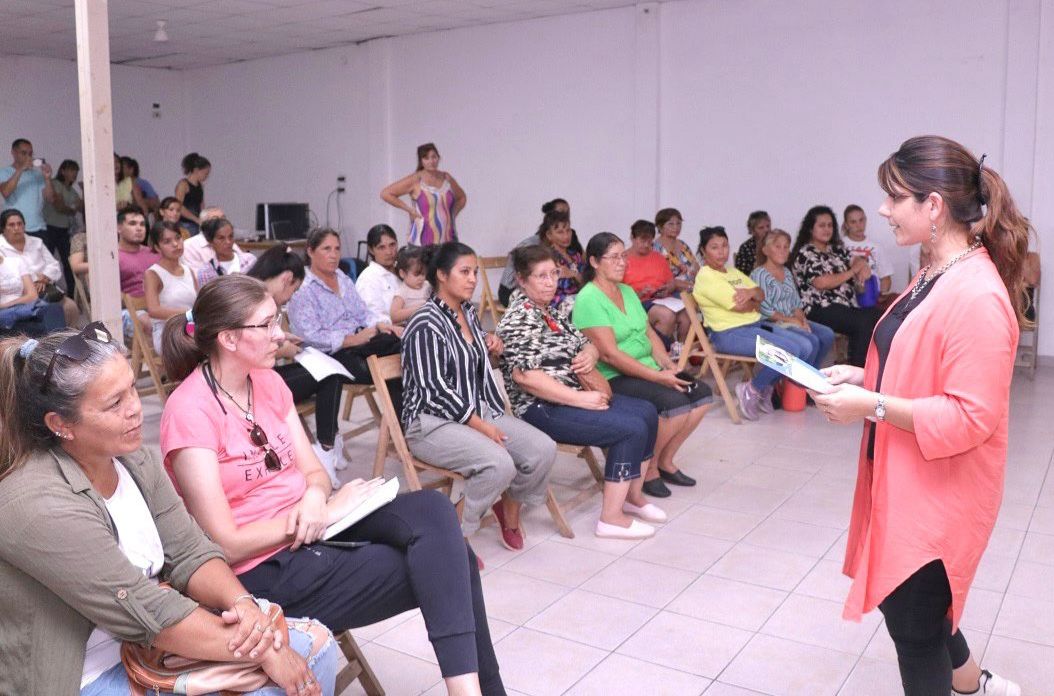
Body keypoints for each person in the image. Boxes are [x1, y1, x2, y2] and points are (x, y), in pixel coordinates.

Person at [160, 275, 505, 696]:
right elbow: (224, 543)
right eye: (266, 325)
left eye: (277, 320)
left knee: (433, 510)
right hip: (263, 569)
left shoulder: (267, 381)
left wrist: (316, 497)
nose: (280, 334)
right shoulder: (189, 411)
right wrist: (320, 512)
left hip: (317, 527)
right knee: (454, 562)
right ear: (230, 339)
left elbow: (315, 472)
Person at [0, 324, 337, 696]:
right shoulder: (35, 504)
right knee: (279, 677)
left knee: (317, 651)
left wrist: (244, 606)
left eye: (132, 388)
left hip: (151, 644)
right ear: (60, 424)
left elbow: (190, 550)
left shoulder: (132, 459)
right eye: (115, 403)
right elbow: (141, 608)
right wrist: (263, 650)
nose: (135, 409)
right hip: (85, 672)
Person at [811, 136, 1026, 696]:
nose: (883, 209)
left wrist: (872, 405)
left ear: (932, 206)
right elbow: (915, 352)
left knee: (916, 623)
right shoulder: (934, 270)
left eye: (895, 197)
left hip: (939, 495)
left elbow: (969, 417)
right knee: (915, 611)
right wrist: (865, 377)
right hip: (906, 477)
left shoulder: (977, 295)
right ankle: (975, 684)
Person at [498, 245, 663, 540]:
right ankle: (611, 518)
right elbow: (526, 378)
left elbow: (585, 341)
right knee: (630, 429)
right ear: (522, 280)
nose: (550, 282)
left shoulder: (550, 311)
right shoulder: (517, 320)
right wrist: (580, 399)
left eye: (553, 274)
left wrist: (589, 353)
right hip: (541, 408)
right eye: (541, 276)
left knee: (647, 411)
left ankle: (631, 496)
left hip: (572, 394)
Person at [401, 242, 556, 551]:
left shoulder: (468, 313)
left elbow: (477, 368)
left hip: (478, 410)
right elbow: (436, 390)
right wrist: (481, 426)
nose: (472, 279)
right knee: (498, 464)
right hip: (432, 423)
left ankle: (508, 510)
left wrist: (494, 351)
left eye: (474, 272)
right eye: (464, 272)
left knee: (543, 449)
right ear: (442, 276)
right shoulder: (425, 323)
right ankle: (452, 537)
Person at [572, 232, 711, 499]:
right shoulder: (588, 298)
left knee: (701, 395)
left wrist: (666, 366)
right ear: (594, 262)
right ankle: (646, 470)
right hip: (615, 375)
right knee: (676, 403)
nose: (622, 262)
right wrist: (657, 378)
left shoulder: (626, 291)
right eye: (613, 257)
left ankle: (664, 461)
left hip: (646, 368)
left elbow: (648, 332)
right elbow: (610, 355)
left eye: (623, 256)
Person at [248, 245, 350, 488]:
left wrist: (284, 337)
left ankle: (325, 447)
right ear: (286, 279)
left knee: (331, 373)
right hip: (252, 382)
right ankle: (325, 449)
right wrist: (284, 347)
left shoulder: (253, 291)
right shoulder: (253, 299)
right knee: (330, 375)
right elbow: (254, 345)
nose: (291, 297)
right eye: (293, 291)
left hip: (260, 374)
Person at [693, 226, 812, 420]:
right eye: (714, 247)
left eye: (724, 245)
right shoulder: (706, 276)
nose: (721, 251)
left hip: (752, 326)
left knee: (801, 347)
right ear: (703, 251)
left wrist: (751, 294)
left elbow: (760, 293)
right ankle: (752, 389)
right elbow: (741, 307)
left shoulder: (732, 272)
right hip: (729, 334)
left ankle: (764, 388)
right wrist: (754, 303)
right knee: (788, 352)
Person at [286, 228, 402, 408]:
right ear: (310, 251)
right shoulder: (303, 287)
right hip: (330, 354)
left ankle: (404, 421)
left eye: (337, 249)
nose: (333, 255)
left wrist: (380, 325)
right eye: (326, 249)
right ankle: (401, 423)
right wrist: (350, 340)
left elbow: (363, 314)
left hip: (361, 342)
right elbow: (308, 336)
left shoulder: (342, 278)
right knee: (393, 363)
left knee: (402, 347)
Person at [790, 205, 881, 367]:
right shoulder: (806, 253)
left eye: (830, 225)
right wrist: (852, 271)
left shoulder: (836, 249)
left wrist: (861, 265)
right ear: (811, 228)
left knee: (877, 315)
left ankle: (868, 368)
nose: (827, 229)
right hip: (819, 308)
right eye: (822, 225)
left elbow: (856, 260)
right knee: (862, 322)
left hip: (845, 306)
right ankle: (857, 370)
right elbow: (821, 282)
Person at [750, 228, 835, 371]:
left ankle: (811, 373)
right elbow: (765, 310)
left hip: (791, 320)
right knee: (811, 341)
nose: (783, 251)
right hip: (772, 323)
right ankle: (800, 380)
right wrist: (792, 321)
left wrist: (803, 322)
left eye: (786, 247)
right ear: (765, 250)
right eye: (778, 246)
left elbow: (796, 304)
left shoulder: (787, 272)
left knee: (827, 334)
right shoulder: (759, 274)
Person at [0, 208, 79, 327]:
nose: (16, 228)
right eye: (11, 225)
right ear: (3, 229)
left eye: (19, 224)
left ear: (24, 226)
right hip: (18, 293)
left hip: (45, 288)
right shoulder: (1, 248)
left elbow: (54, 264)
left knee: (70, 307)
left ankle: (66, 340)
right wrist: (31, 284)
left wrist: (44, 278)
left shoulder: (36, 242)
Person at [497, 198, 581, 306]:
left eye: (567, 212)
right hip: (514, 289)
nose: (564, 216)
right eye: (560, 212)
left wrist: (573, 272)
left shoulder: (570, 240)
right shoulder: (531, 244)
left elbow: (582, 263)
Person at [381, 143, 466, 245]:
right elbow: (386, 193)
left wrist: (451, 215)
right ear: (421, 161)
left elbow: (461, 198)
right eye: (426, 158)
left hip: (447, 239)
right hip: (423, 241)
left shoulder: (446, 178)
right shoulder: (416, 179)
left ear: (438, 158)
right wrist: (409, 209)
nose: (431, 161)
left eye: (434, 157)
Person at [623, 219, 685, 344]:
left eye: (649, 240)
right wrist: (639, 293)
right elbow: (617, 292)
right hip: (637, 303)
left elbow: (671, 281)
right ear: (632, 238)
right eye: (642, 240)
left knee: (687, 316)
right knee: (666, 316)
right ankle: (659, 354)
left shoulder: (658, 258)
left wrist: (667, 289)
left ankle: (681, 353)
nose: (646, 244)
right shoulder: (623, 259)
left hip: (662, 300)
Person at [145, 221, 198, 353]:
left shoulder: (189, 270)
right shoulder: (152, 274)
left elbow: (198, 303)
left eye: (178, 238)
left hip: (191, 327)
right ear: (157, 247)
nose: (175, 244)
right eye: (167, 241)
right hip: (167, 332)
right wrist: (188, 313)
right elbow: (153, 310)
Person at [652, 207, 698, 346]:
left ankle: (684, 347)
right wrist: (689, 286)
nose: (676, 227)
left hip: (692, 287)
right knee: (687, 313)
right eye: (670, 224)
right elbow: (662, 278)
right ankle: (680, 348)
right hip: (672, 291)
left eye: (678, 223)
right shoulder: (656, 248)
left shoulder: (683, 244)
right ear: (660, 226)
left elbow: (696, 265)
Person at [1, 138, 56, 244]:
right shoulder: (4, 172)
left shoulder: (37, 174)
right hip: (15, 229)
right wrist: (21, 169)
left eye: (30, 153)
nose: (28, 157)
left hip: (39, 228)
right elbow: (6, 192)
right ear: (13, 153)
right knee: (15, 260)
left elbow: (50, 198)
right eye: (24, 153)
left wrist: (47, 178)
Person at [42, 158, 83, 297]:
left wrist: (84, 191)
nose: (74, 173)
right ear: (63, 171)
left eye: (76, 171)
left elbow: (82, 207)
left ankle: (72, 295)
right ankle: (48, 294)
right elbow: (58, 206)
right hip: (50, 228)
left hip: (64, 231)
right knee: (48, 263)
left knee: (69, 263)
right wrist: (71, 209)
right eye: (71, 170)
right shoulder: (55, 183)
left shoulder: (72, 190)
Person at [0, 251, 65, 336]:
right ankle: (55, 345)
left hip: (24, 307)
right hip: (5, 313)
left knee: (54, 309)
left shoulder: (15, 262)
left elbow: (32, 296)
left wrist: (10, 304)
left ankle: (57, 344)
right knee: (32, 325)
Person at [843, 203, 895, 306]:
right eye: (853, 222)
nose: (859, 225)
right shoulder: (840, 245)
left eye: (861, 220)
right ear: (846, 225)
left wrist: (882, 295)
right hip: (846, 295)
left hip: (870, 296)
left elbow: (885, 278)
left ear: (866, 220)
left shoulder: (876, 247)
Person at [535, 209, 585, 308]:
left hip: (577, 298)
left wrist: (572, 274)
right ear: (549, 235)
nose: (566, 236)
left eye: (568, 230)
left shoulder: (575, 255)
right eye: (560, 232)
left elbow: (586, 282)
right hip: (557, 303)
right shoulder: (548, 258)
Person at [355, 224, 401, 329]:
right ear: (371, 250)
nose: (389, 252)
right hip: (388, 337)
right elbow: (373, 319)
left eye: (392, 245)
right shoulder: (368, 279)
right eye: (381, 247)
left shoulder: (404, 270)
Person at [192, 216, 258, 286]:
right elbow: (207, 296)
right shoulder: (206, 272)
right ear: (210, 242)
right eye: (221, 238)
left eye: (231, 236)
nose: (228, 242)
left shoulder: (249, 261)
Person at [116, 206, 160, 298]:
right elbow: (109, 295)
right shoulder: (112, 257)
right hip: (128, 310)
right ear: (118, 228)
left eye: (142, 224)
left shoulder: (155, 253)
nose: (139, 228)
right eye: (132, 224)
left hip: (163, 306)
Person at [390, 244, 430, 325]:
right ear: (402, 273)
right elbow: (394, 316)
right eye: (416, 274)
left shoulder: (427, 285)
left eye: (423, 274)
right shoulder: (402, 292)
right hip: (407, 326)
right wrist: (418, 309)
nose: (421, 278)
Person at [175, 152, 210, 236]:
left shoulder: (200, 186)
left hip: (196, 224)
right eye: (205, 173)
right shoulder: (183, 184)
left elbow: (201, 204)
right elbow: (179, 206)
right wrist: (196, 219)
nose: (206, 176)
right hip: (184, 224)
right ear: (196, 170)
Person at [733, 210, 772, 276]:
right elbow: (741, 275)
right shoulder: (746, 247)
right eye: (761, 228)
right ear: (752, 230)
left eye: (768, 226)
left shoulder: (777, 243)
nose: (766, 230)